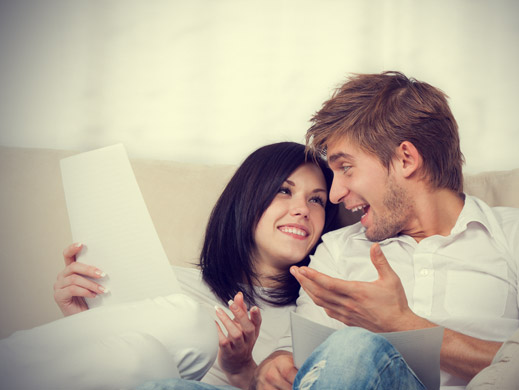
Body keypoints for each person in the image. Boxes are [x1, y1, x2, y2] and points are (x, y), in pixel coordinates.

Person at [250, 71, 519, 390]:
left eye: (346, 168)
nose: (335, 194)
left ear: (406, 159)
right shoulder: (336, 249)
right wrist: (276, 365)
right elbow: (308, 363)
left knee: (354, 346)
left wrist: (399, 324)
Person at [0, 142, 338, 390]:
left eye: (316, 199)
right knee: (149, 348)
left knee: (166, 344)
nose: (302, 209)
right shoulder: (168, 284)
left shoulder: (313, 318)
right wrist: (87, 321)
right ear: (247, 200)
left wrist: (245, 371)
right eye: (284, 190)